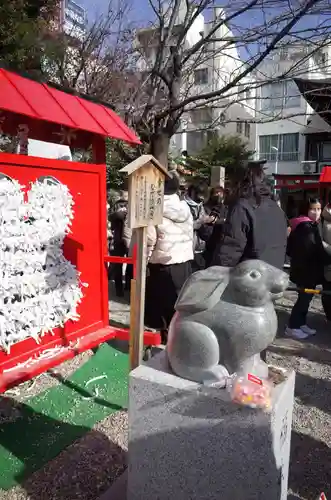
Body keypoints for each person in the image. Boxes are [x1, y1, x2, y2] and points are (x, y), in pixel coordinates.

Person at [210, 164, 288, 270]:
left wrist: (215, 272)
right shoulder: (276, 208)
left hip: (250, 277)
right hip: (274, 274)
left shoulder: (242, 207)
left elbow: (231, 249)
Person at [145, 173, 193, 342]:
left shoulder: (153, 208)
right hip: (184, 261)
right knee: (179, 303)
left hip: (163, 263)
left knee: (161, 305)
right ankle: (181, 337)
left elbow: (149, 239)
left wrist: (143, 261)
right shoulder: (185, 207)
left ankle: (165, 339)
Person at [286, 198, 325, 339]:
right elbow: (313, 249)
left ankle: (301, 323)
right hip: (305, 270)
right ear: (306, 210)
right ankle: (293, 326)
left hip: (306, 269)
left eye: (319, 209)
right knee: (303, 298)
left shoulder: (308, 225)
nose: (316, 212)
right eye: (313, 209)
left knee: (306, 298)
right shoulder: (306, 227)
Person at [184, 183, 215, 270]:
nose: (201, 198)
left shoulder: (201, 206)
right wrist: (201, 221)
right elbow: (186, 224)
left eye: (203, 195)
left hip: (200, 248)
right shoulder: (183, 205)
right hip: (187, 248)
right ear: (192, 192)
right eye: (199, 194)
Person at [110, 190, 132, 297]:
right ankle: (128, 286)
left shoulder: (115, 206)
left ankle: (119, 289)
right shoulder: (133, 205)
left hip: (118, 238)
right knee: (130, 263)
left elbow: (112, 222)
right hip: (129, 239)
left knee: (118, 264)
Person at [203, 187, 228, 268]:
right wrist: (221, 221)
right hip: (208, 241)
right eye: (216, 193)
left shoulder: (225, 208)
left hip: (220, 241)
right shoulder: (206, 207)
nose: (218, 195)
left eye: (220, 193)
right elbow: (206, 220)